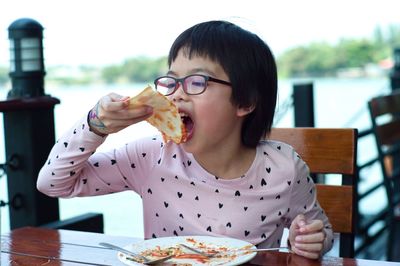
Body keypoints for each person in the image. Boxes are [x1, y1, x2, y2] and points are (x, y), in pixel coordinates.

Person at [37, 20, 333, 259]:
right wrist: (96, 125)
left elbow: (322, 232)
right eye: (172, 80)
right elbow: (53, 183)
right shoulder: (152, 156)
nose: (177, 93)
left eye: (196, 82)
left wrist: (309, 239)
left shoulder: (283, 168)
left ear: (246, 102)